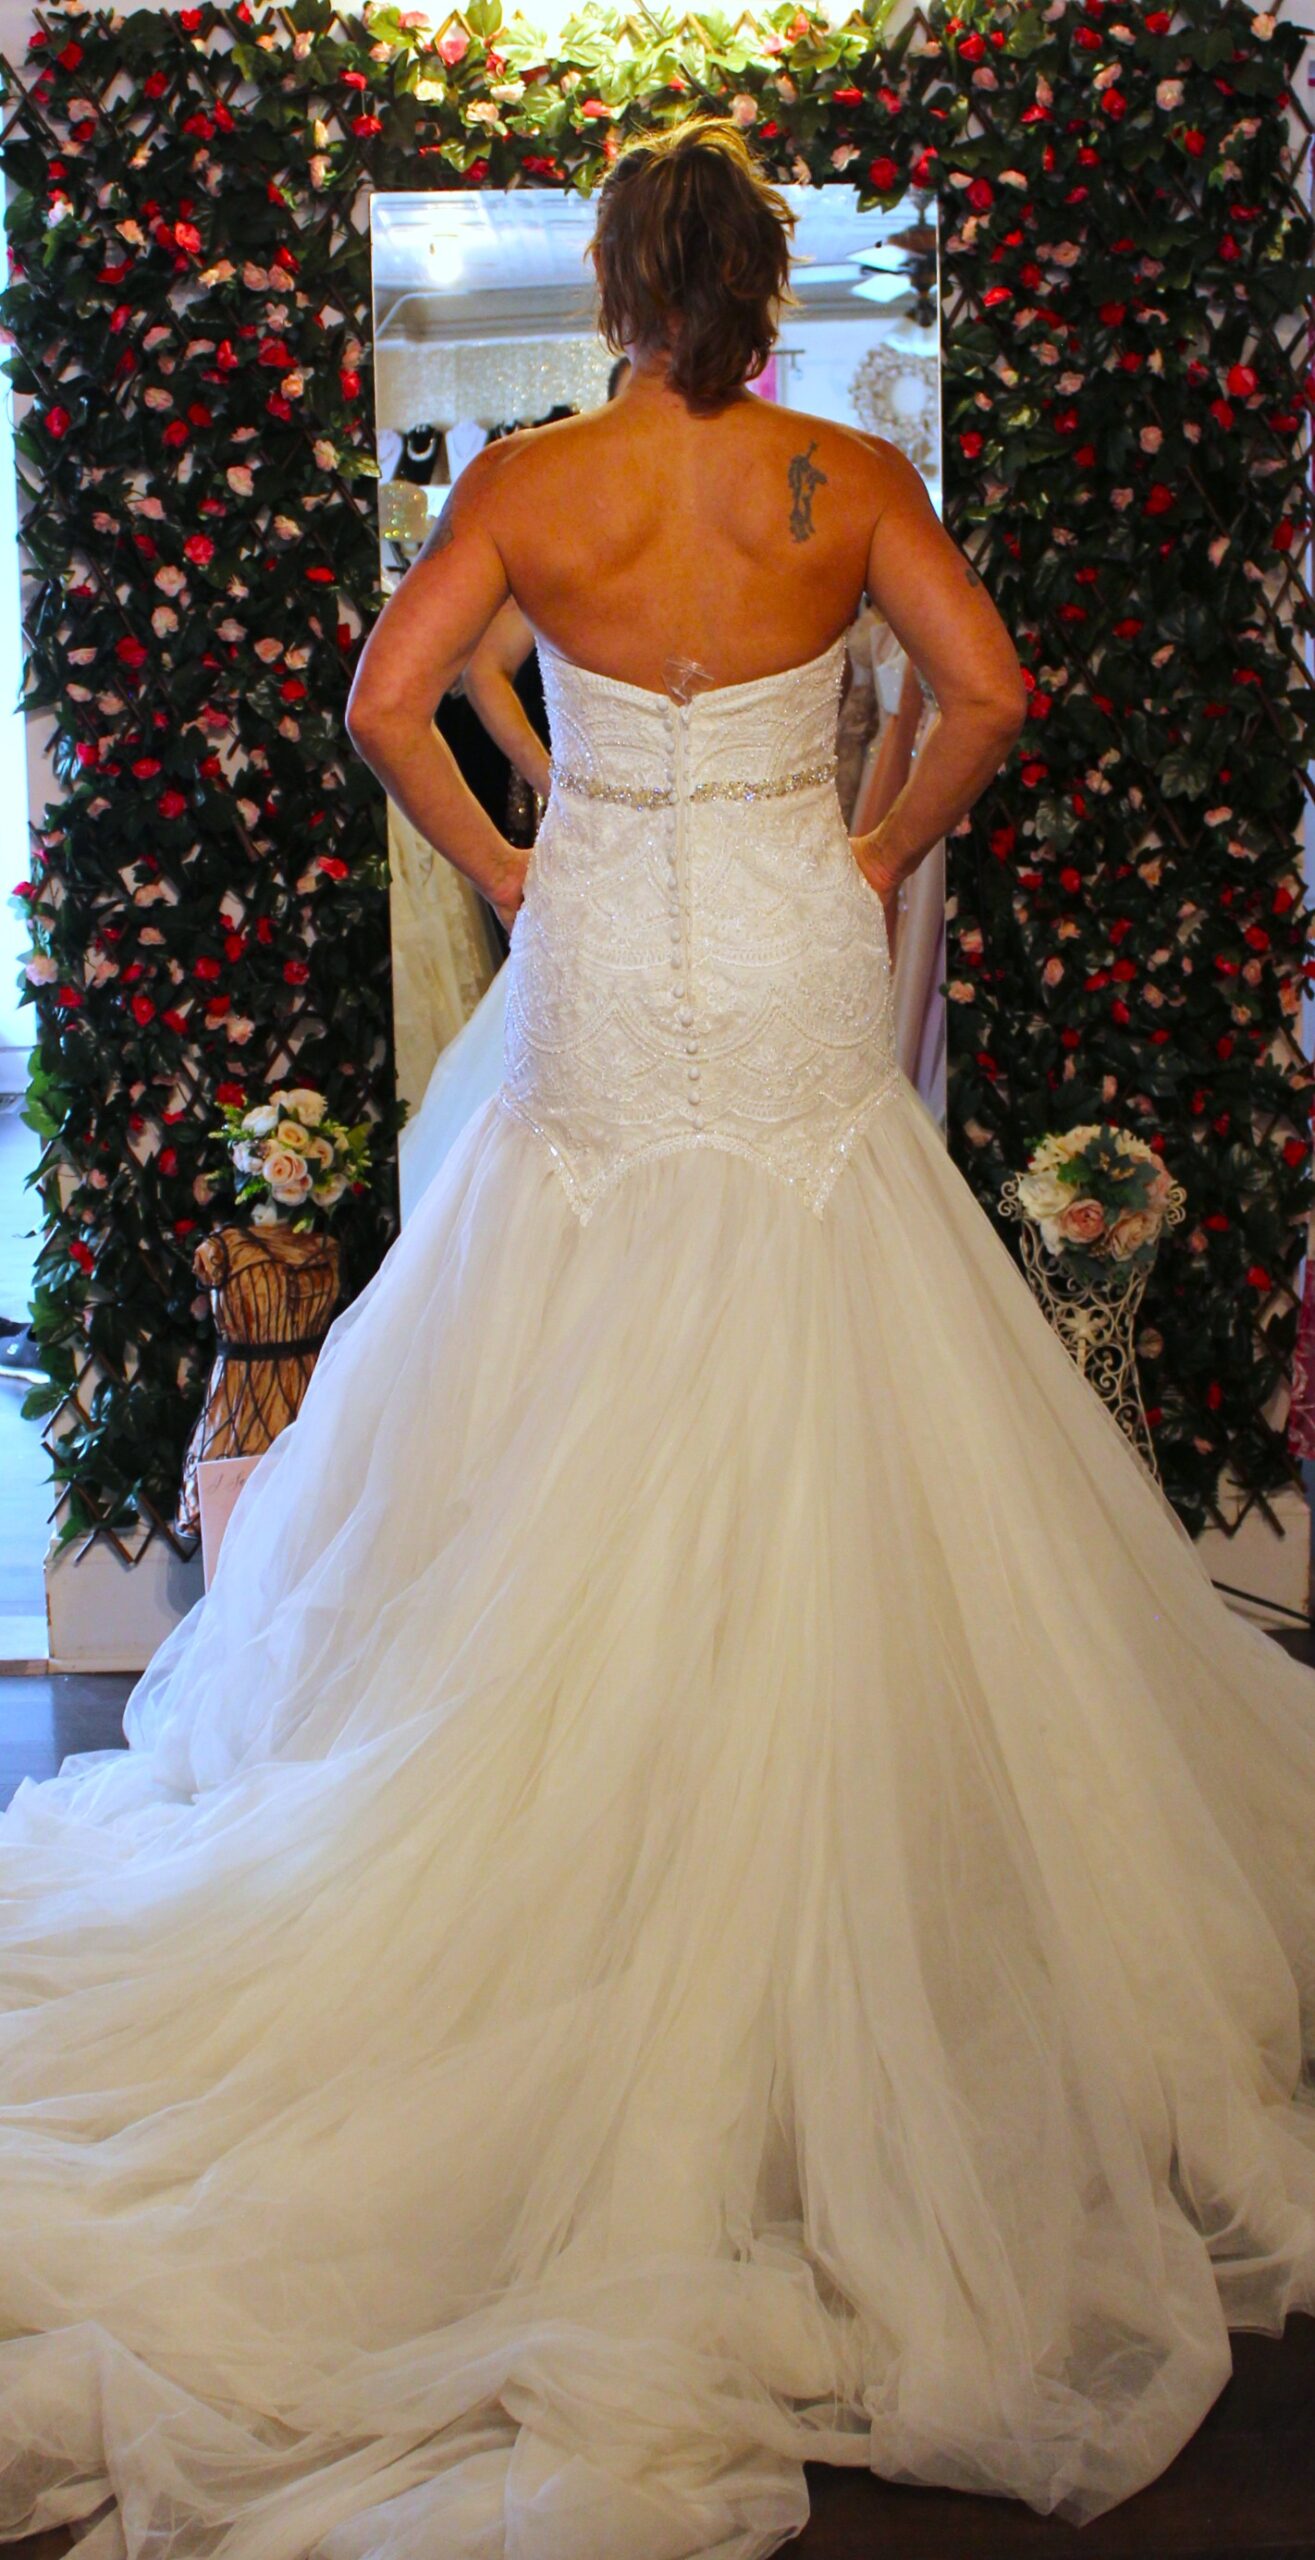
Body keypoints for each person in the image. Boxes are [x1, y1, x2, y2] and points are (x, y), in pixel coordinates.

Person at [1, 116, 1314, 2560]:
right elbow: (990, 690)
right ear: (768, 279)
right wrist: (874, 839)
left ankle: (586, 1826)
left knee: (575, 1318)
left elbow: (391, 699)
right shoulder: (842, 480)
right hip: (790, 938)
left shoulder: (533, 481)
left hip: (606, 936)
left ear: (615, 279)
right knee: (830, 1309)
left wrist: (514, 855)